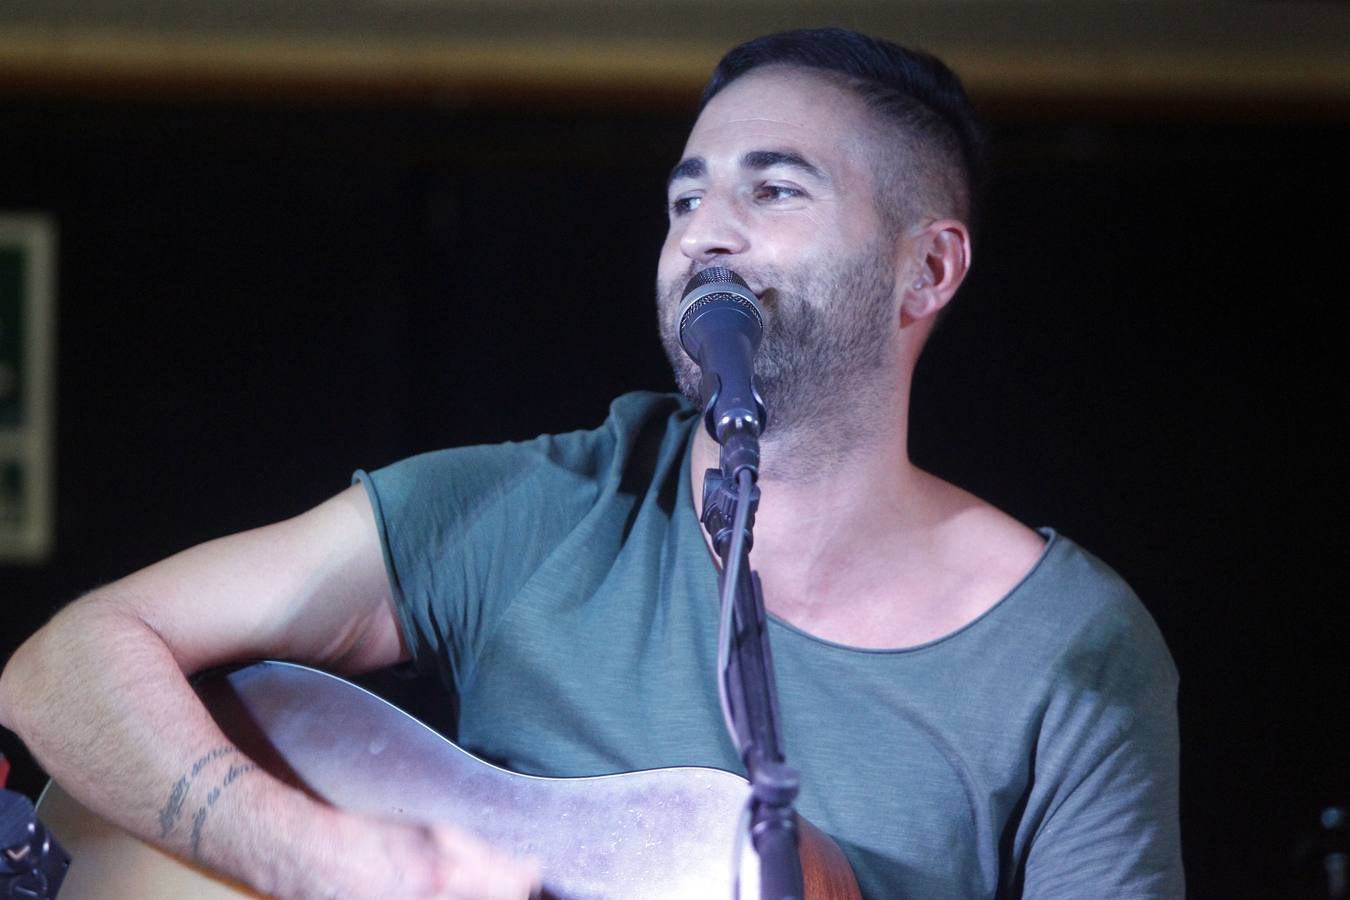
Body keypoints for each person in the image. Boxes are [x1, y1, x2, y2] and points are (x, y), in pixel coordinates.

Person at [0, 27, 1182, 899]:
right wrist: (323, 860)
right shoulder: (537, 511)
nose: (704, 232)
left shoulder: (1068, 652)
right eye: (685, 199)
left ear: (928, 272)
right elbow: (63, 668)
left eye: (774, 188)